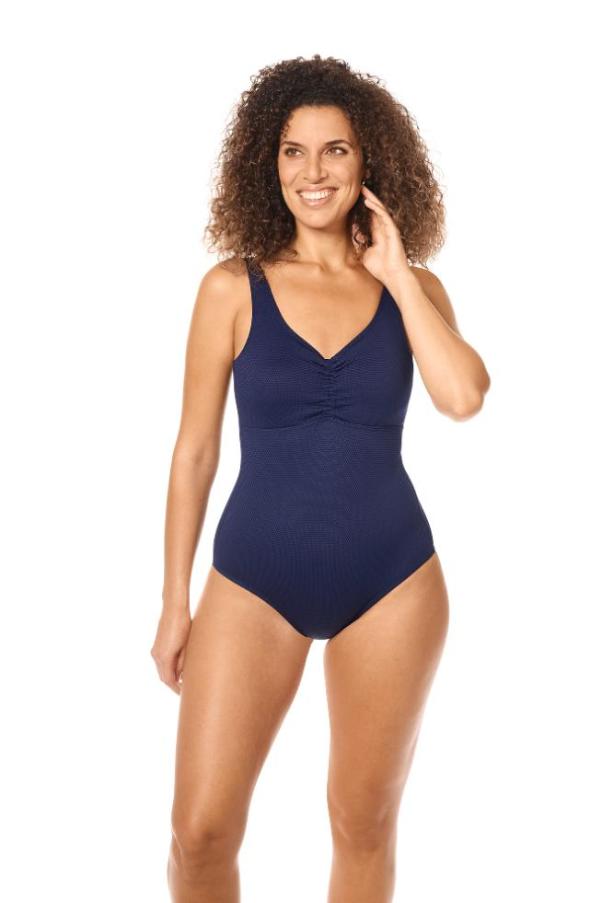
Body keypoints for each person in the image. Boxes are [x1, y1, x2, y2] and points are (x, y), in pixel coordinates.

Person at [151, 55, 490, 902]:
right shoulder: (231, 288)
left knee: (362, 823)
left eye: (335, 150)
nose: (314, 172)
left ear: (368, 160)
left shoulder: (415, 287)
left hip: (393, 582)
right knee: (199, 833)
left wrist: (398, 274)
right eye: (294, 151)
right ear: (268, 163)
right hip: (253, 580)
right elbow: (195, 452)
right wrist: (174, 601)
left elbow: (462, 397)